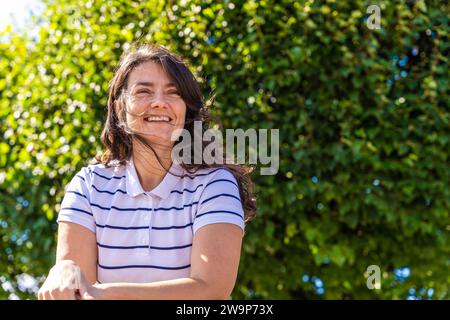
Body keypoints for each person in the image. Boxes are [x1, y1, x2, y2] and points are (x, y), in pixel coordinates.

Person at [37, 44, 256, 300]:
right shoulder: (88, 185)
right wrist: (65, 270)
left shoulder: (215, 184)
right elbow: (74, 287)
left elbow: (210, 289)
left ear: (186, 110)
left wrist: (103, 294)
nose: (159, 103)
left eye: (173, 93)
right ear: (120, 106)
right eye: (143, 91)